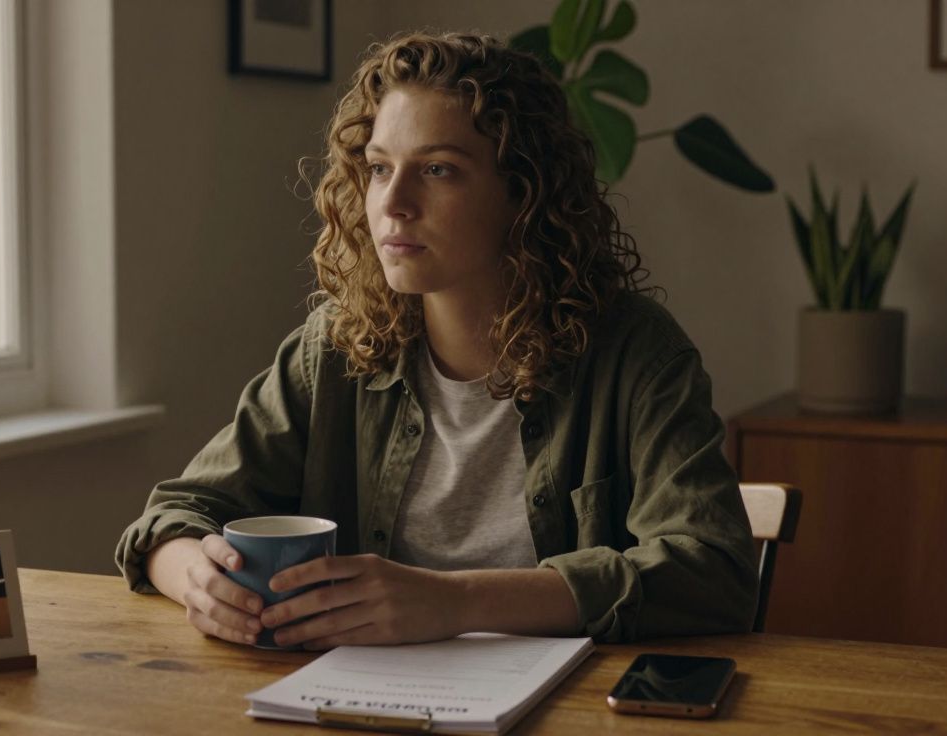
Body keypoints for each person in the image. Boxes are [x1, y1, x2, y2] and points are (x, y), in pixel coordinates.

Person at [116, 31, 757, 649]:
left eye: (439, 169)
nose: (392, 202)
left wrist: (454, 602)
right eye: (378, 169)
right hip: (355, 700)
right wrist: (193, 577)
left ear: (523, 192)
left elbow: (711, 570)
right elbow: (179, 512)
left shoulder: (635, 354)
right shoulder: (336, 348)